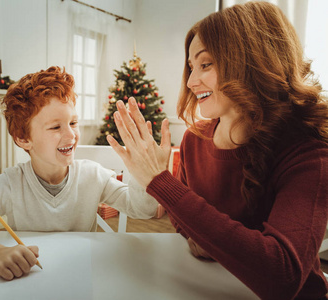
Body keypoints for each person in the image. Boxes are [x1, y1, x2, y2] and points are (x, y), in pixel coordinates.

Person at [107, 2, 328, 299]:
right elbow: (183, 220)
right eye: (190, 66)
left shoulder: (308, 153)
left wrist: (161, 182)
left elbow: (283, 278)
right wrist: (197, 236)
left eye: (206, 64)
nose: (190, 81)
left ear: (251, 61)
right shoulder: (194, 141)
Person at [0, 66, 158, 281]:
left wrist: (144, 175)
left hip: (81, 274)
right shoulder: (11, 184)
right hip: (30, 279)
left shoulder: (93, 175)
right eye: (55, 127)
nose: (71, 135)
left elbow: (143, 209)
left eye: (73, 122)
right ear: (24, 139)